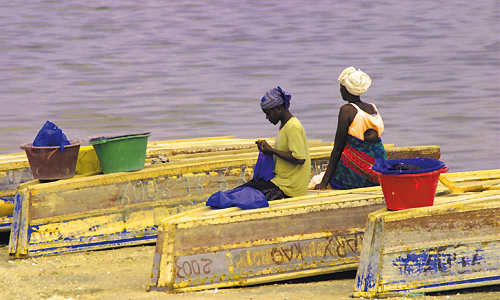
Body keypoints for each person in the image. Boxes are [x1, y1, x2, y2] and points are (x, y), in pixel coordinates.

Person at [314, 67, 387, 190]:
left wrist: (325, 182)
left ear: (346, 89)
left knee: (316, 179)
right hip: (378, 171)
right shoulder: (373, 108)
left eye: (341, 87)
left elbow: (338, 148)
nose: (340, 90)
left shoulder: (347, 110)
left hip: (357, 175)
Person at [241, 86, 311, 200]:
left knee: (242, 194)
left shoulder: (293, 126)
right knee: (242, 190)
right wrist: (267, 151)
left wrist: (272, 150)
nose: (267, 117)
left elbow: (300, 158)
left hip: (289, 188)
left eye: (268, 113)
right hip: (281, 182)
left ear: (278, 108)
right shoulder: (285, 126)